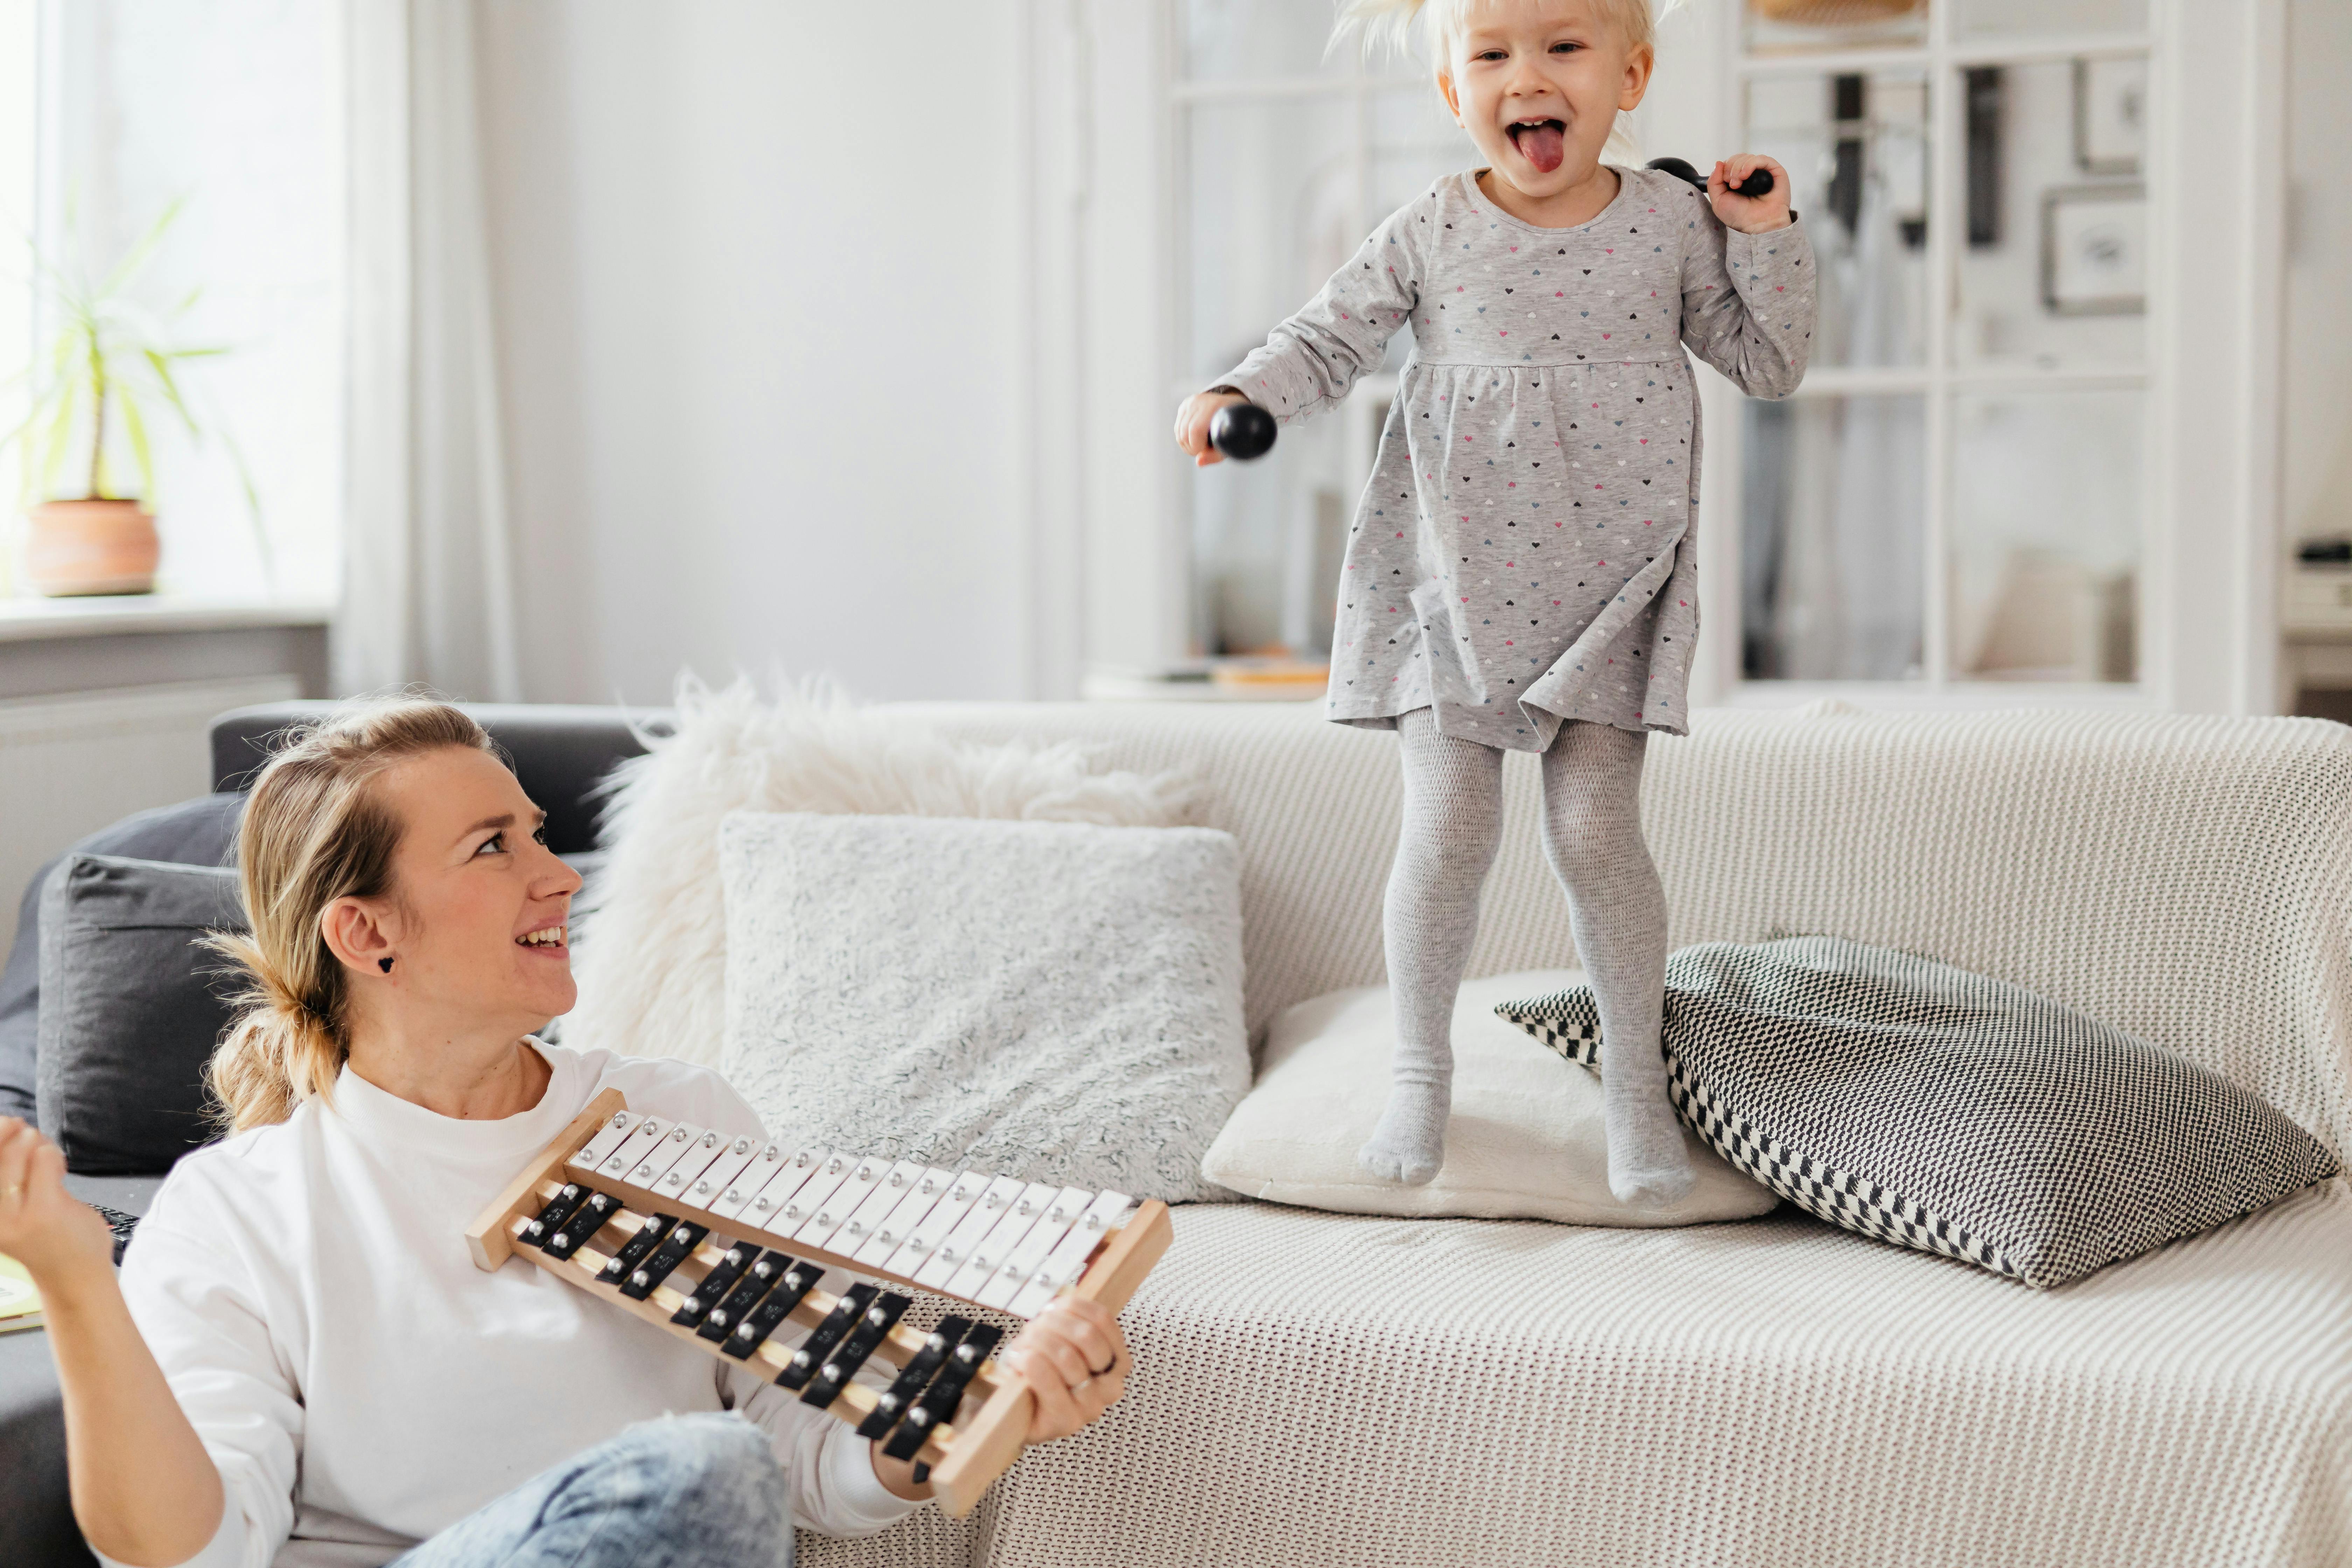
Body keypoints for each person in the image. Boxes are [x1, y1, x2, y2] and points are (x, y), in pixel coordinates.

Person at [0, 697, 1128, 1568]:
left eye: (539, 835)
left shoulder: (682, 1122)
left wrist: (965, 1412)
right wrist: (76, 1283)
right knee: (697, 1477)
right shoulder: (244, 1207)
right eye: (494, 848)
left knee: (717, 1477)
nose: (556, 878)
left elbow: (803, 1457)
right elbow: (188, 1551)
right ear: (366, 931)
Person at [1173, 0, 1815, 1199]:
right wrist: (1232, 388)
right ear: (1452, 93)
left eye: (1565, 46)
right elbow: (1328, 340)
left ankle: (1635, 1090)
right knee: (1451, 830)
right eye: (1493, 54)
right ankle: (1420, 1073)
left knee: (1594, 836)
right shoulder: (1431, 228)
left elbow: (1769, 364)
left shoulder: (1674, 221)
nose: (1530, 75)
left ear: (1631, 77)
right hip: (1451, 582)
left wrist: (1764, 229)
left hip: (1612, 584)